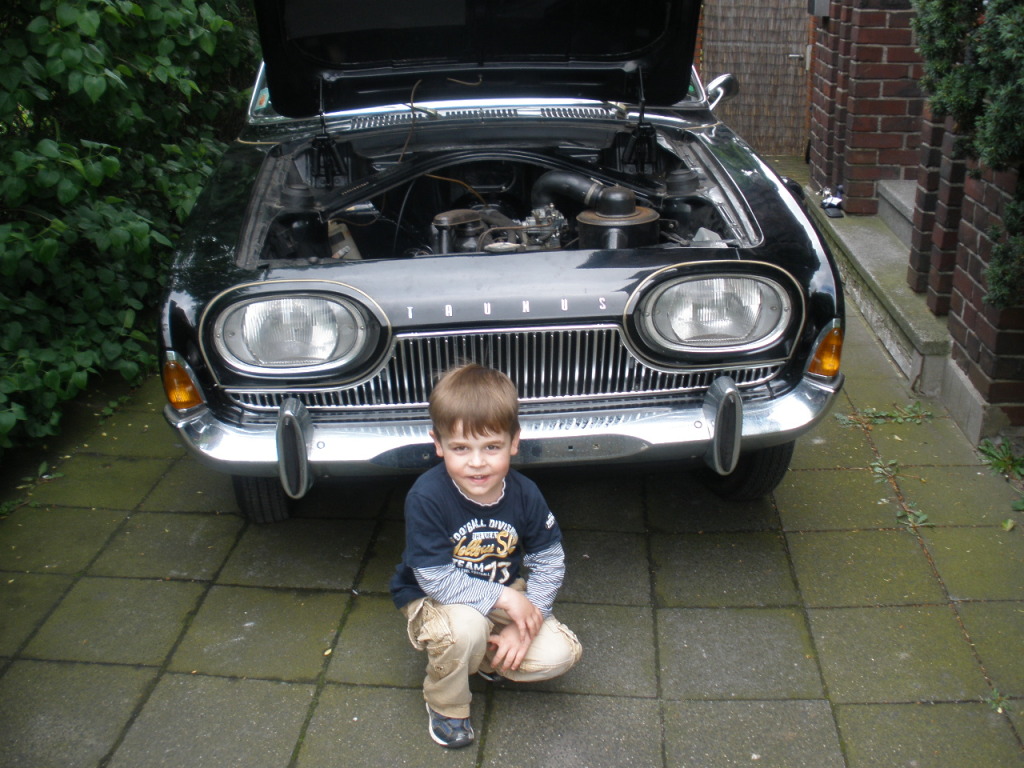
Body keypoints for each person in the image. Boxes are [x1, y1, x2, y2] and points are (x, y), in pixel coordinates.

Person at [390, 363, 582, 749]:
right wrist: (506, 598)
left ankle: (481, 655)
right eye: (461, 448)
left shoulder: (525, 493)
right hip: (436, 599)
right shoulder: (427, 497)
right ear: (438, 444)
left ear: (514, 441)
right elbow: (434, 578)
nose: (477, 462)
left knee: (561, 654)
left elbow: (549, 560)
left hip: (501, 591)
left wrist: (528, 620)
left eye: (491, 447)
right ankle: (446, 703)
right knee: (466, 627)